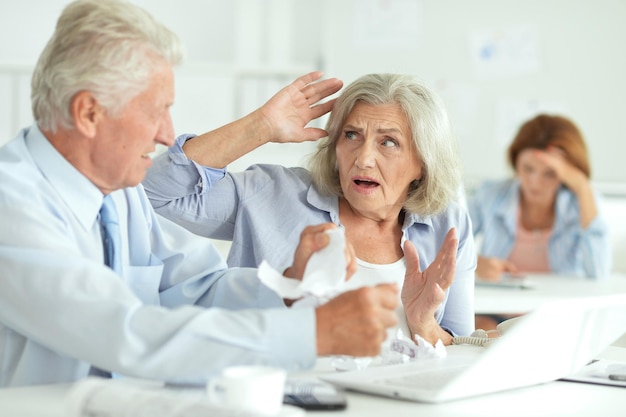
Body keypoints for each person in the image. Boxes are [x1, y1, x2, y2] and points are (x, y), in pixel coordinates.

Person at [0, 0, 401, 388]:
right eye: (155, 111)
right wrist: (310, 334)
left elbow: (200, 287)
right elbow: (125, 331)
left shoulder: (117, 194)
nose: (166, 134)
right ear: (88, 113)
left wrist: (290, 285)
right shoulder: (11, 205)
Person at [144, 73, 477, 346]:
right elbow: (153, 193)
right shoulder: (272, 194)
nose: (363, 158)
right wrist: (260, 127)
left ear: (422, 162)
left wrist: (423, 325)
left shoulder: (448, 223)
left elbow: (462, 348)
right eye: (351, 135)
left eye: (388, 141)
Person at [468, 114, 611, 329]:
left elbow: (598, 271)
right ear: (515, 161)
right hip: (497, 316)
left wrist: (582, 187)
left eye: (550, 173)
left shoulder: (583, 203)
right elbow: (445, 246)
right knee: (480, 334)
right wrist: (475, 262)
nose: (535, 182)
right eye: (528, 169)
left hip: (557, 319)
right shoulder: (490, 196)